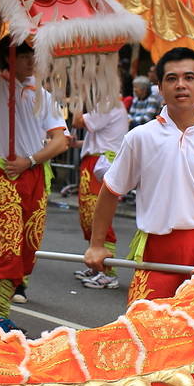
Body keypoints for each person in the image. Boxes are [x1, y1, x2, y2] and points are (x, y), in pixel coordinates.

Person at [83, 47, 194, 302]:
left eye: (189, 78)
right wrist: (97, 244)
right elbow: (110, 191)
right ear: (160, 88)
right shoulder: (140, 137)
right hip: (155, 252)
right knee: (143, 333)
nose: (181, 85)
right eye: (172, 79)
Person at [0, 19, 68, 332]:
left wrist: (31, 160)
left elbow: (60, 140)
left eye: (34, 57)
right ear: (10, 58)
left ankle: (1, 306)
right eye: (25, 56)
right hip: (3, 174)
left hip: (32, 174)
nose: (32, 62)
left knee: (28, 244)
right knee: (9, 243)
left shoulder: (44, 96)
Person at [74, 100, 129, 289]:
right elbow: (100, 138)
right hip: (97, 161)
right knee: (89, 216)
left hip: (100, 163)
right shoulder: (107, 104)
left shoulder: (109, 103)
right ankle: (97, 267)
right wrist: (78, 143)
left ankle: (108, 272)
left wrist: (76, 99)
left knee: (97, 216)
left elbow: (77, 121)